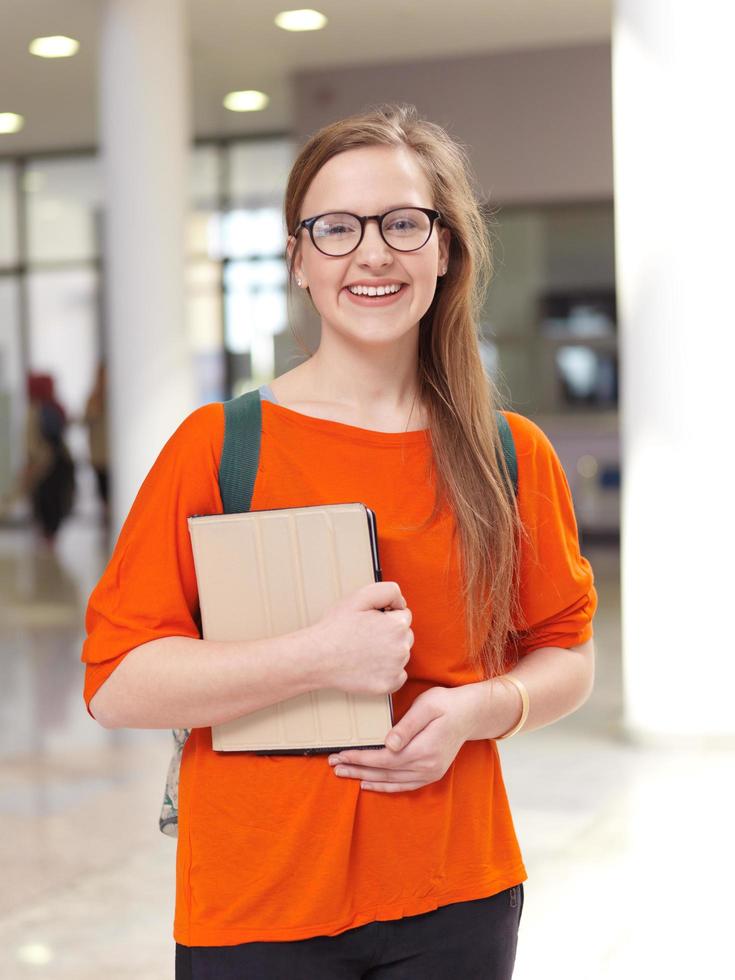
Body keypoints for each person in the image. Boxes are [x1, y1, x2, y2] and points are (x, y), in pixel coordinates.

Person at [82, 104, 597, 979]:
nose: (372, 253)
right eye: (336, 228)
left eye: (403, 223)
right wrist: (318, 657)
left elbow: (565, 654)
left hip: (457, 891)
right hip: (257, 902)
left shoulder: (507, 453)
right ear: (297, 259)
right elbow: (117, 684)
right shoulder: (218, 448)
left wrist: (475, 711)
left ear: (445, 249)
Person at [24, 373, 75, 544]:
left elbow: (51, 436)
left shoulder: (48, 408)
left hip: (53, 461)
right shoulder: (43, 409)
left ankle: (50, 535)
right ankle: (48, 534)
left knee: (52, 499)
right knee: (47, 499)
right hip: (49, 461)